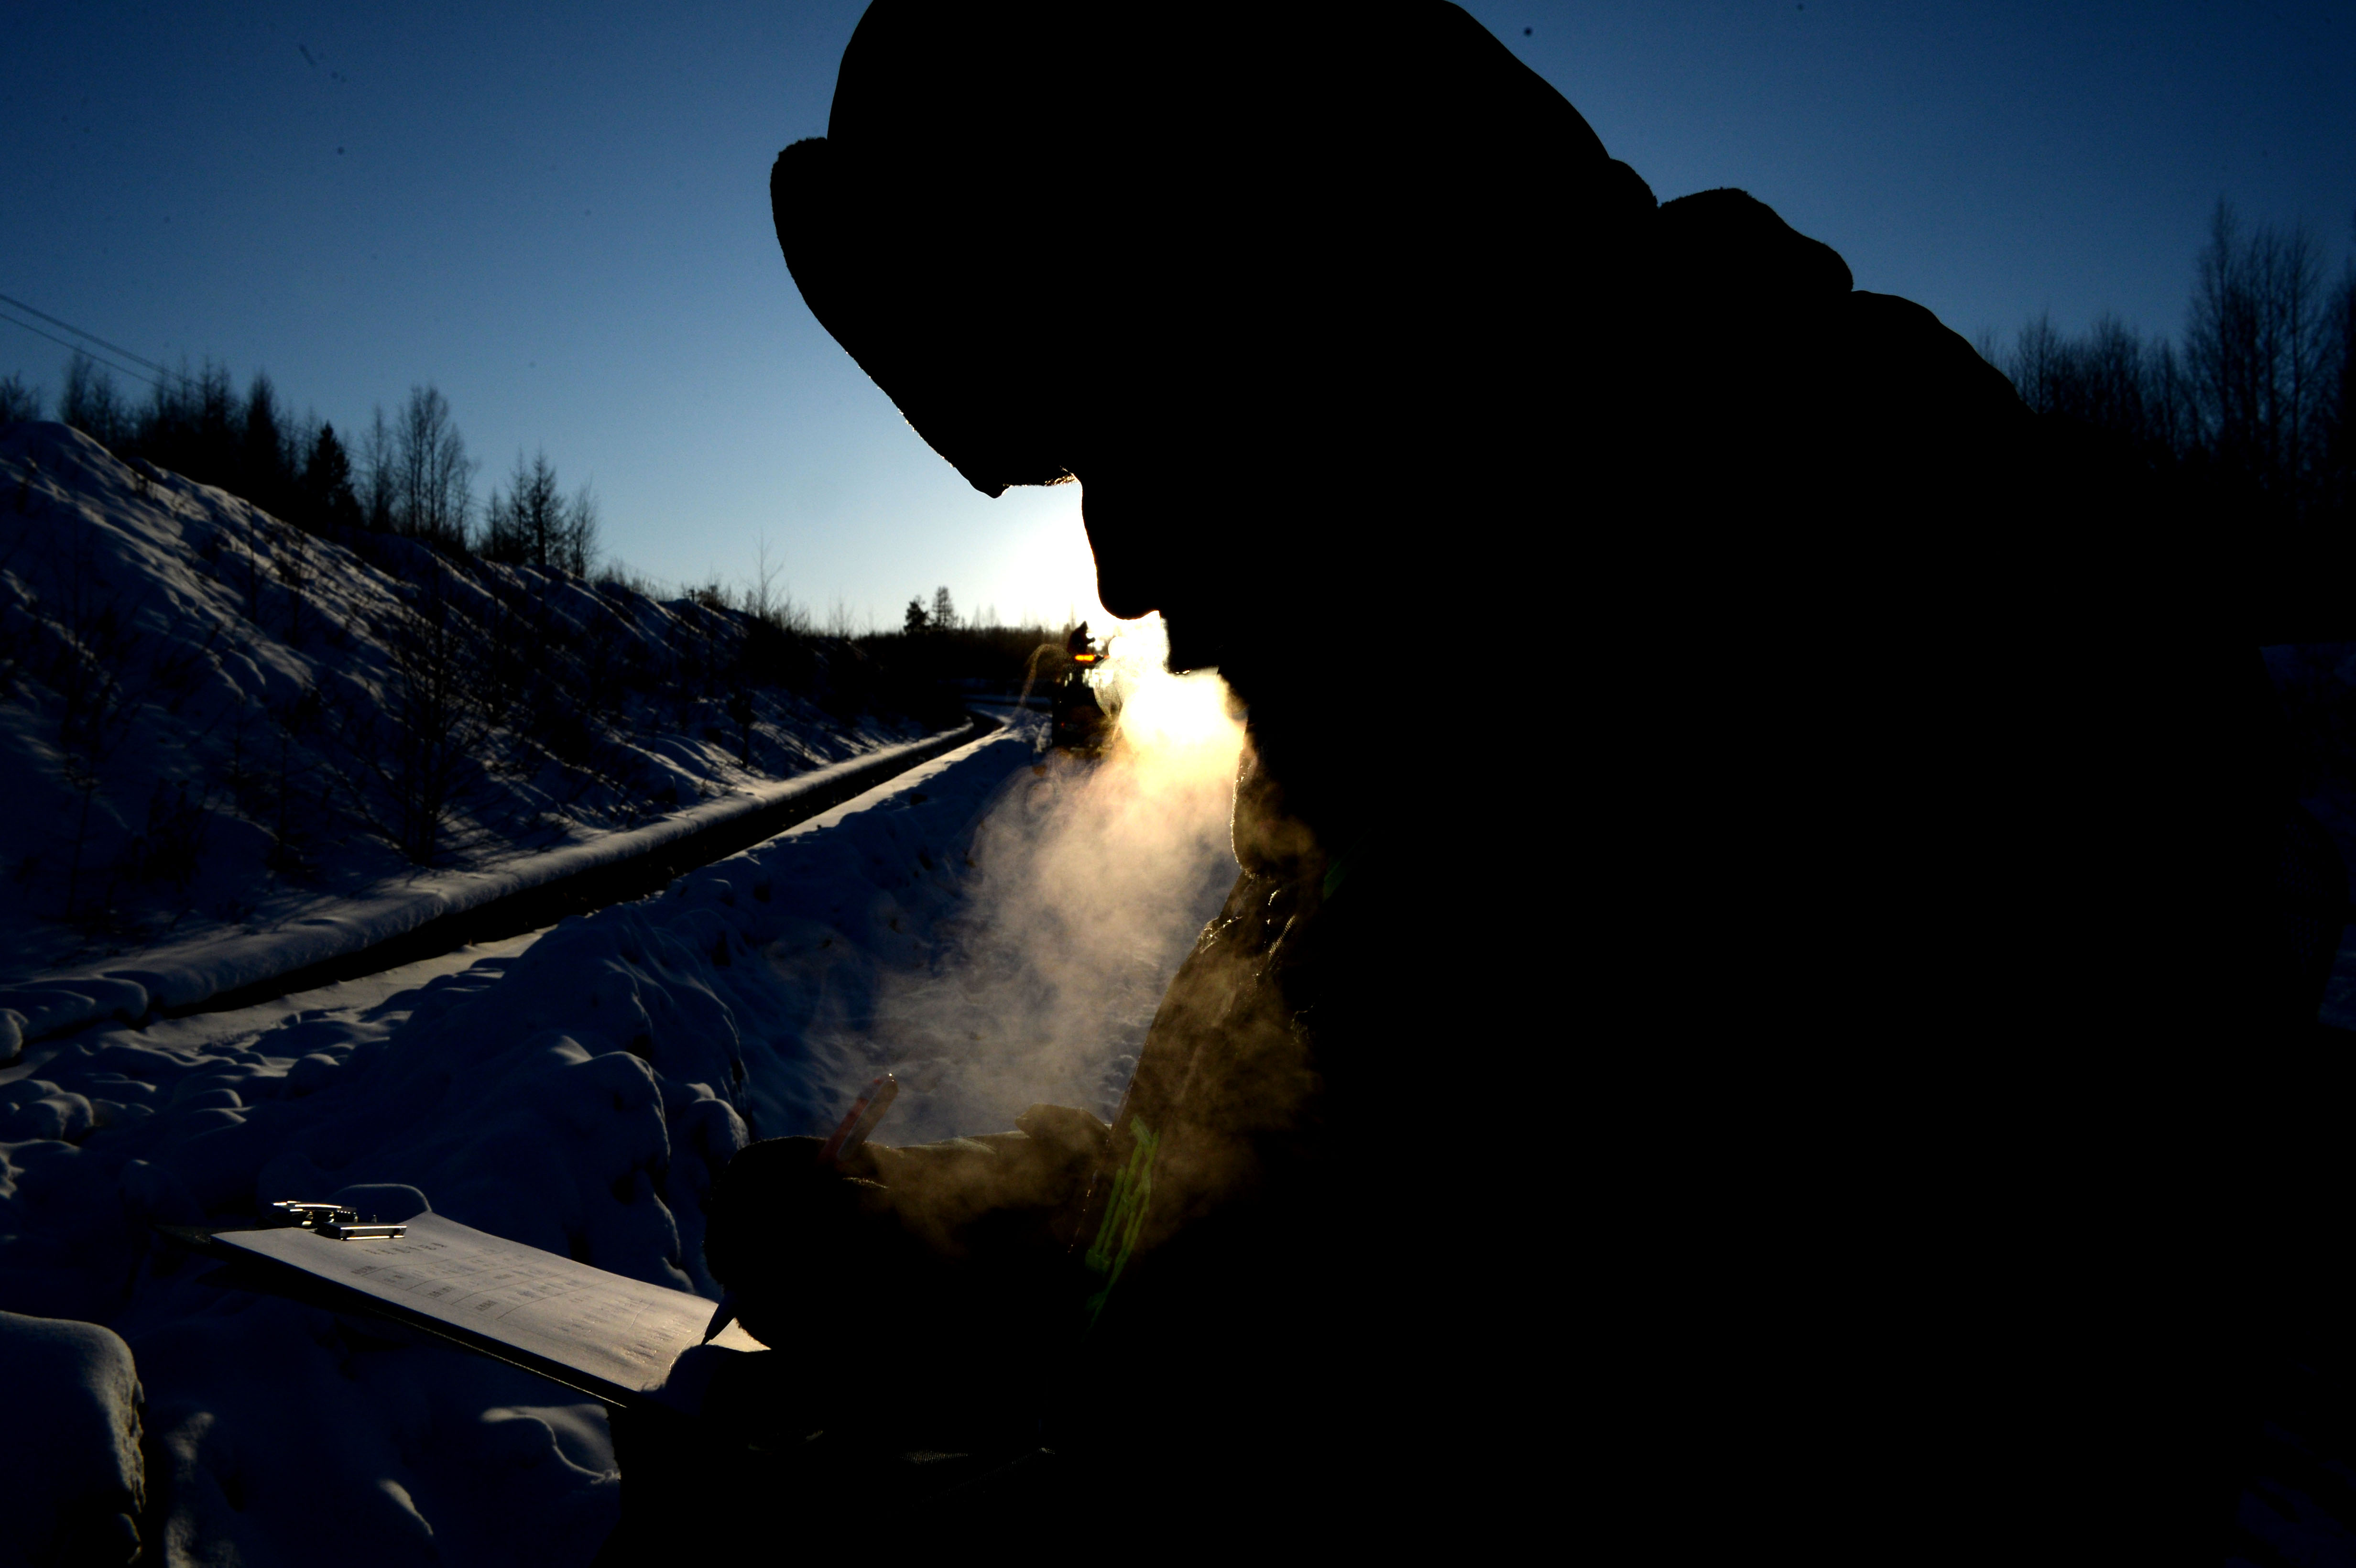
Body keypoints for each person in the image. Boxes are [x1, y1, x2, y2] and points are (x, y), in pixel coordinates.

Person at [609, 3, 2345, 1559]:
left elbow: (1615, 1431)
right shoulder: (1442, 700)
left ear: (1321, 301)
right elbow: (1269, 1229)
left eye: (1132, 434)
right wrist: (933, 1241)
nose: (1121, 572)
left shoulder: (1863, 692)